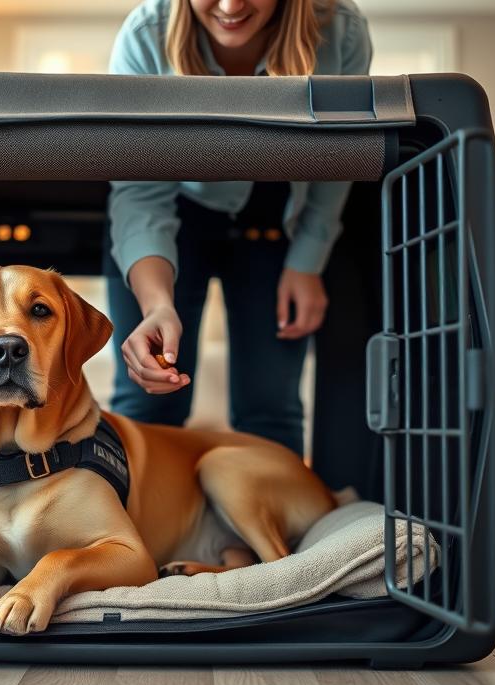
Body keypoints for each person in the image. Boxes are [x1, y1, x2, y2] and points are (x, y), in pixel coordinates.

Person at [104, 0, 372, 455]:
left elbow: (338, 160)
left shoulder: (340, 31)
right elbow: (139, 192)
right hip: (173, 213)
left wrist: (307, 262)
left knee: (271, 407)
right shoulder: (145, 34)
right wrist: (156, 306)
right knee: (146, 400)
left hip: (277, 217)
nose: (230, 6)